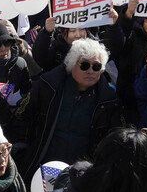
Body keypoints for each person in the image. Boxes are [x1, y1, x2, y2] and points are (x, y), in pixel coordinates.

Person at [12, 37, 123, 180]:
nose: (90, 71)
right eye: (84, 65)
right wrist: (22, 150)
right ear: (72, 64)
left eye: (96, 66)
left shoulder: (109, 100)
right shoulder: (47, 86)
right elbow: (22, 117)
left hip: (82, 175)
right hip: (42, 166)